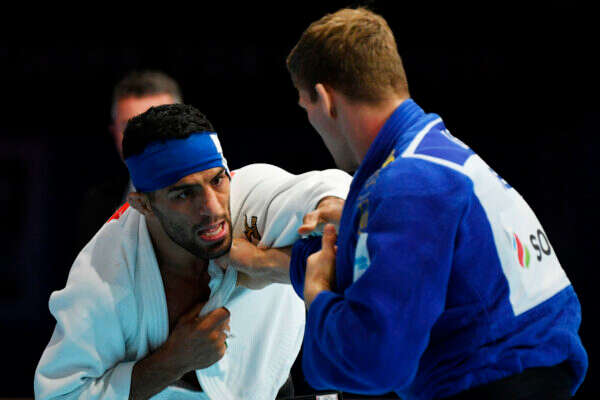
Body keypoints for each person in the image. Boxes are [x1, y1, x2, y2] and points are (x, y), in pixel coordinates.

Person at [284, 7, 587, 400]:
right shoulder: (438, 157)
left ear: (326, 100)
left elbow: (375, 360)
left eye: (304, 107)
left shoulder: (411, 184)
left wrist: (317, 293)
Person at [35, 103, 352, 399]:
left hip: (274, 388)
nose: (212, 208)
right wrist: (174, 360)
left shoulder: (251, 196)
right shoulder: (104, 279)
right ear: (143, 205)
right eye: (184, 194)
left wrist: (262, 262)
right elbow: (60, 394)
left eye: (217, 181)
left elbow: (327, 190)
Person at [78, 70, 182, 247]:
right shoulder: (97, 204)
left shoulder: (220, 196)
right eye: (129, 127)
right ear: (114, 133)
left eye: (157, 124)